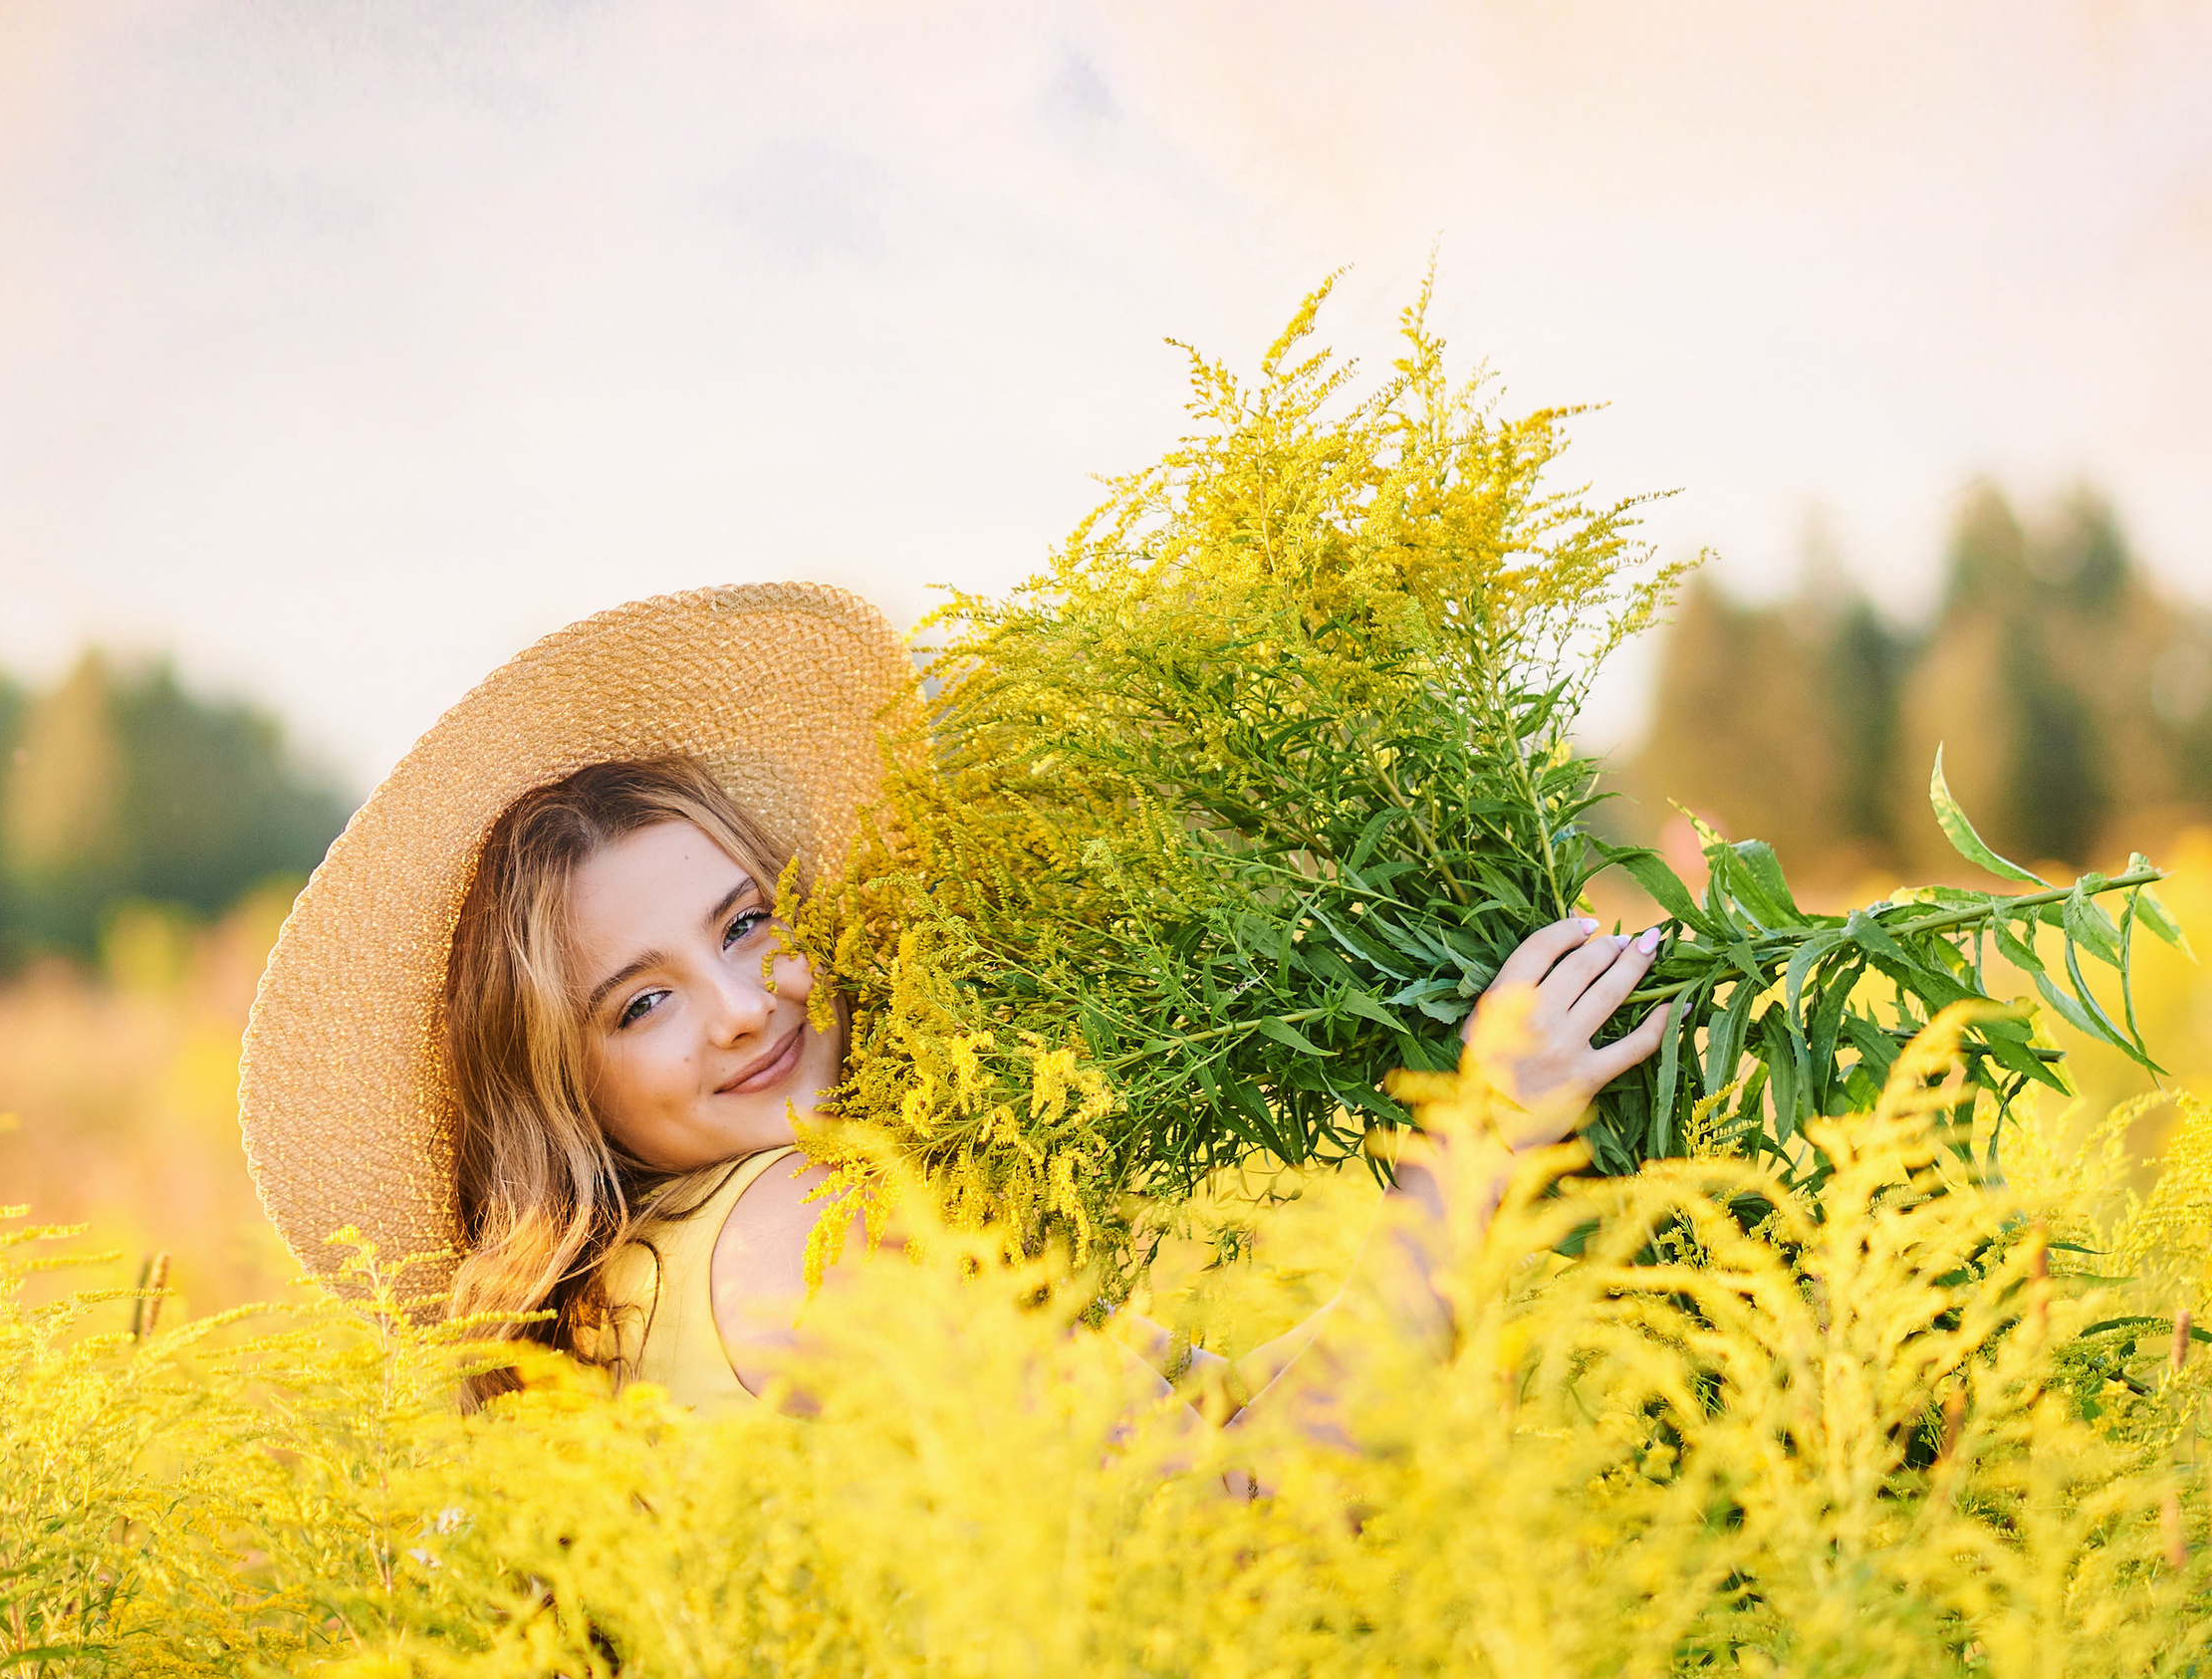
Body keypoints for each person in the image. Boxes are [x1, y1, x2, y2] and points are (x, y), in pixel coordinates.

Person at [238, 583, 1672, 1425]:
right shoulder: (801, 1240)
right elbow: (1255, 1509)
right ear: (562, 1088)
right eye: (641, 1003)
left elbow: (1224, 1414)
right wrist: (1477, 1136)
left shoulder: (637, 1292)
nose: (744, 1003)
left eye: (749, 920)